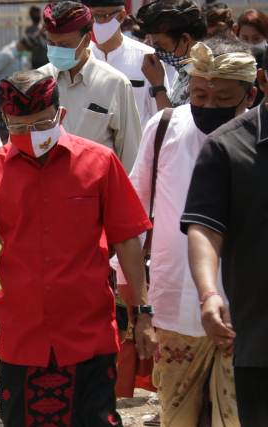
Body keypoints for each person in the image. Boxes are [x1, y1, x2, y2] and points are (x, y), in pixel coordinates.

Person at [0, 69, 156, 426]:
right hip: (22, 335)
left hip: (88, 332)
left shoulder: (100, 163)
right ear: (5, 121)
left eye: (40, 125)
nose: (30, 136)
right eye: (18, 128)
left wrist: (143, 313)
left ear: (60, 116)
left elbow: (127, 241)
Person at [126, 37, 255, 426]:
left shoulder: (257, 140)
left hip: (245, 314)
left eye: (223, 98)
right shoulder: (165, 127)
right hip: (174, 308)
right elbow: (133, 214)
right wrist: (134, 300)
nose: (209, 107)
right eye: (200, 95)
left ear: (250, 93)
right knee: (176, 417)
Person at [181, 45, 268, 427]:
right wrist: (209, 293)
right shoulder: (229, 146)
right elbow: (204, 225)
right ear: (263, 82)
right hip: (261, 340)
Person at [39, 1, 142, 171]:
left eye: (64, 45)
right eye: (51, 43)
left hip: (97, 192)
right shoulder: (40, 81)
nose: (57, 50)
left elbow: (131, 153)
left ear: (87, 39)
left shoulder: (114, 84)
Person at [85, 0, 169, 128]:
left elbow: (159, 113)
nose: (95, 23)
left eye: (101, 16)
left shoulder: (146, 57)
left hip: (137, 146)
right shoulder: (81, 56)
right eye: (90, 16)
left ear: (121, 16)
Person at [137, 0, 207, 109]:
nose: (158, 52)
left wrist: (158, 87)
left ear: (185, 39)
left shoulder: (204, 77)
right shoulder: (184, 70)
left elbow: (172, 123)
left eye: (161, 46)